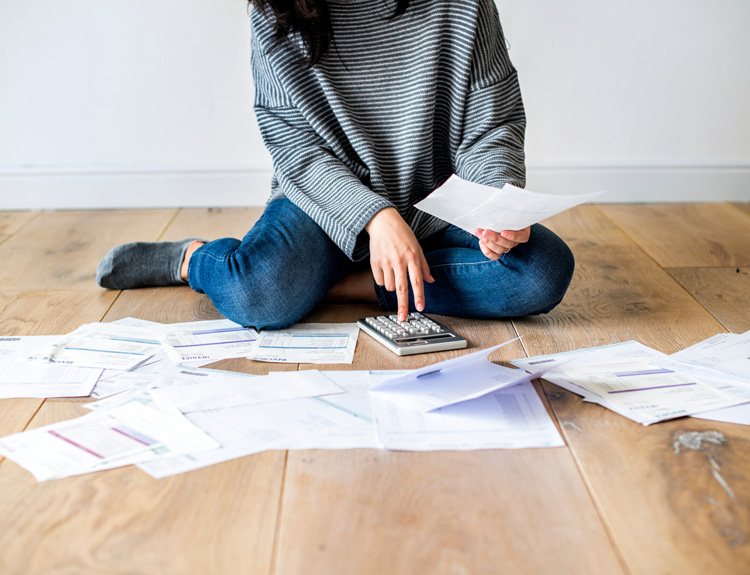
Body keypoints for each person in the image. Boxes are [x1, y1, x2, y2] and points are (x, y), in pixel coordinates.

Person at [97, 0, 575, 329]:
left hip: (436, 207)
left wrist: (496, 205)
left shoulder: (463, 5)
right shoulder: (276, 10)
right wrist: (375, 217)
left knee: (541, 271)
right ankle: (192, 259)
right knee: (258, 292)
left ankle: (344, 286)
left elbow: (492, 119)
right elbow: (294, 145)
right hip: (323, 203)